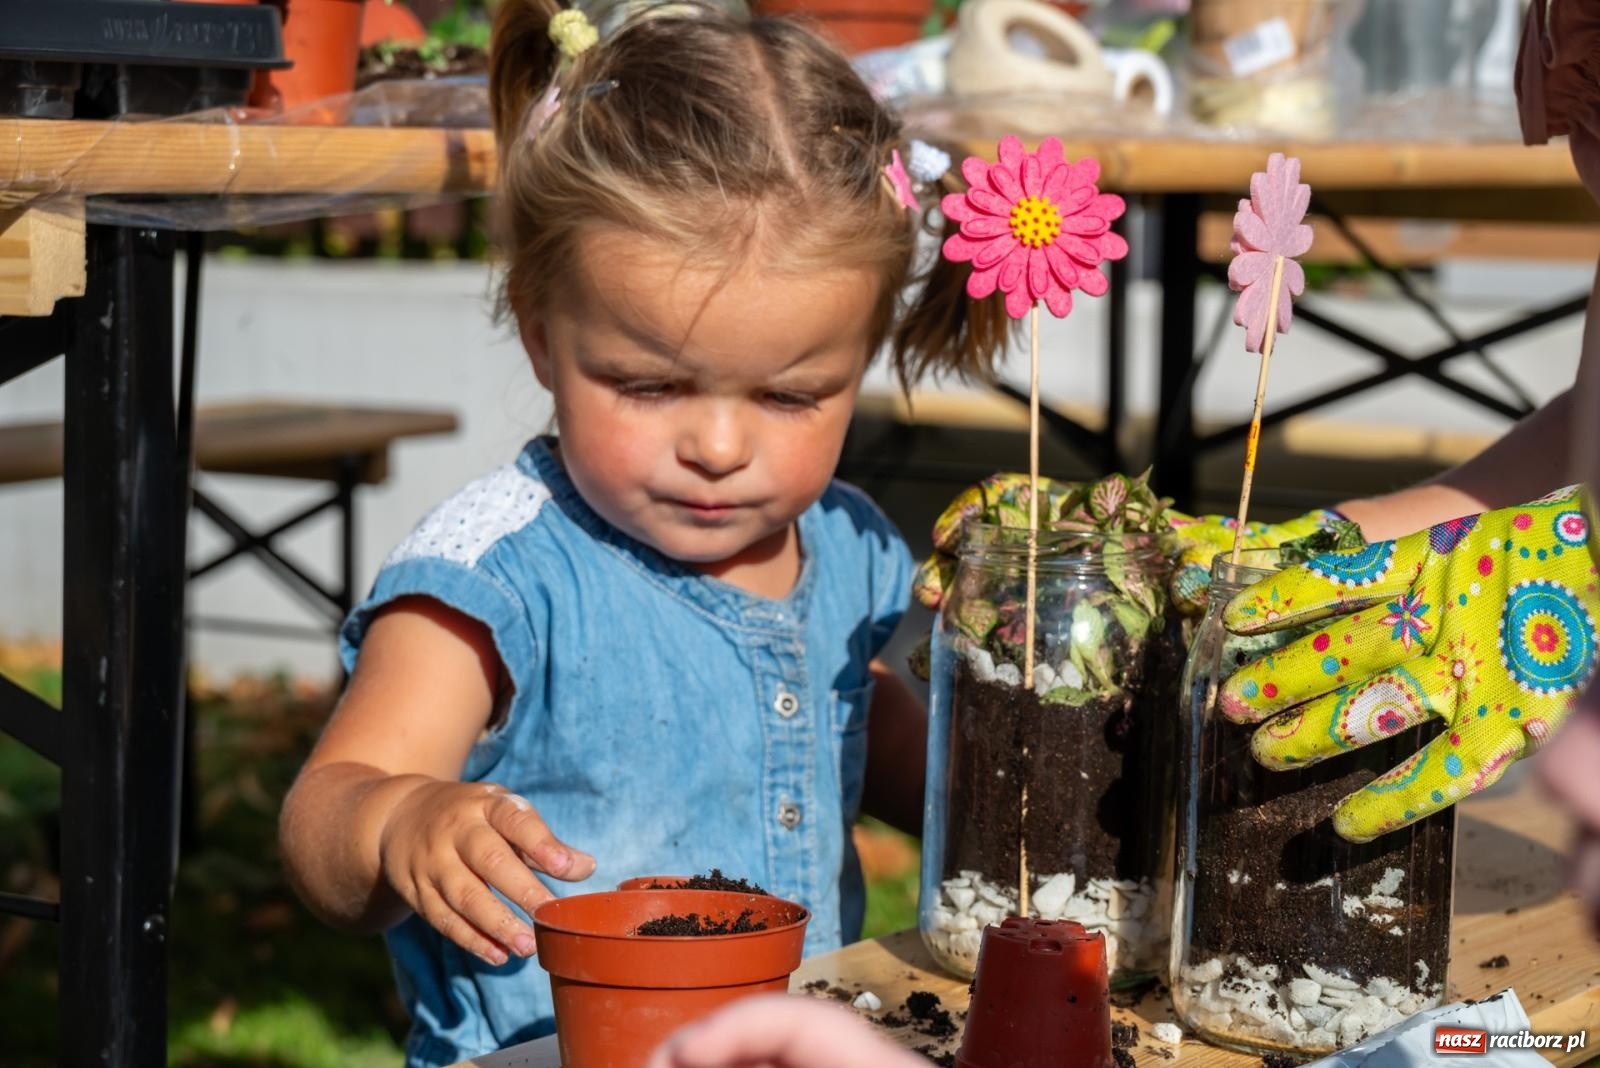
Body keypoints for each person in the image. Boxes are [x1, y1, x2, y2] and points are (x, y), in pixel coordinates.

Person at [275, 1, 1025, 1064]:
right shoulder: (501, 580)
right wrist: (399, 821)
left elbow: (860, 728)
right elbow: (326, 813)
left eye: (789, 397)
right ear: (543, 335)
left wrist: (992, 781)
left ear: (856, 363)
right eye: (649, 385)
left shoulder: (844, 545)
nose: (717, 447)